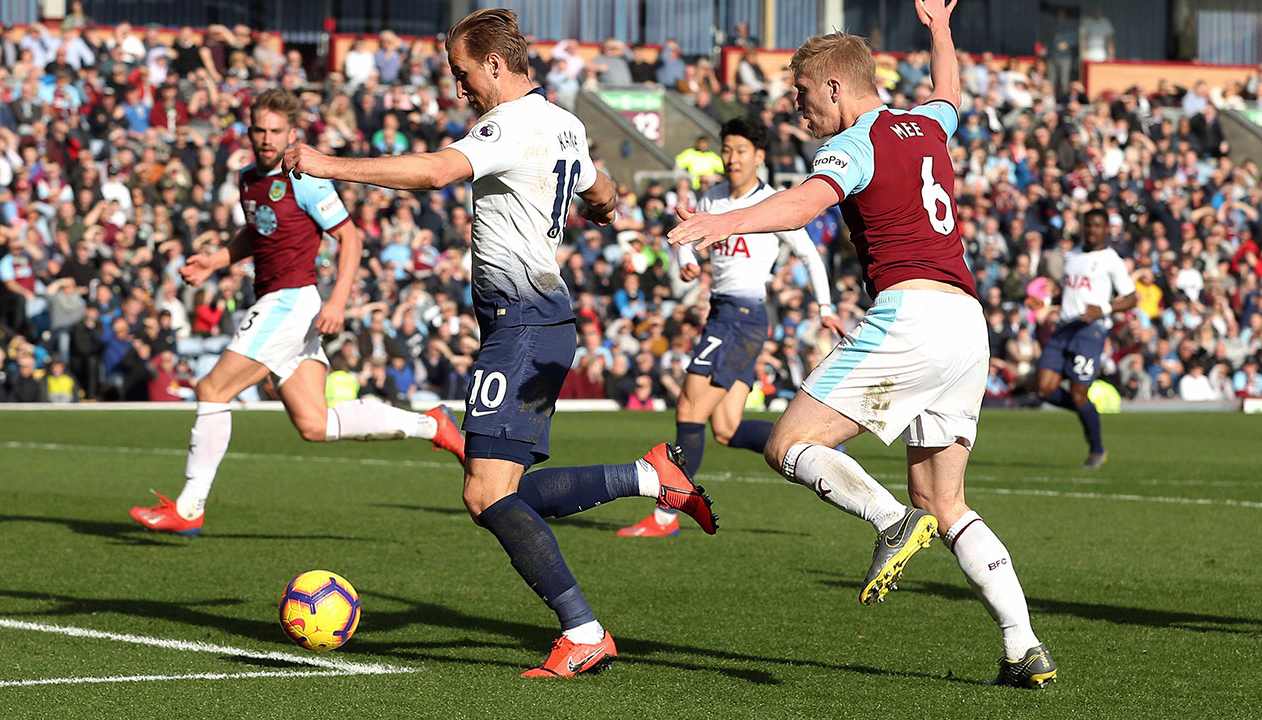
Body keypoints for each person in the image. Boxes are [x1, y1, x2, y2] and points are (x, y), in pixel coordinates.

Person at [282, 8, 717, 679]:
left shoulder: (508, 124)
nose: (460, 91)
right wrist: (603, 201)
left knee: (486, 495)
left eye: (463, 74)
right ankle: (648, 476)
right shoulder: (564, 120)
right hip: (542, 322)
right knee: (502, 491)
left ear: (493, 64)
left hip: (521, 325)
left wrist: (326, 163)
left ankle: (584, 630)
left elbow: (434, 172)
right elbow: (600, 187)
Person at [667, 0, 1056, 689]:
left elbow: (803, 205)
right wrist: (939, 30)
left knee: (790, 445)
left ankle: (886, 521)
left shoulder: (851, 142)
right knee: (947, 502)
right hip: (968, 323)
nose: (796, 105)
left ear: (838, 87)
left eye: (803, 92)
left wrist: (717, 219)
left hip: (911, 312)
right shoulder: (926, 124)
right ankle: (1022, 644)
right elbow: (950, 93)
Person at [129, 89, 465, 537]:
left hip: (290, 301)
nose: (267, 139)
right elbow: (258, 231)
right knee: (315, 423)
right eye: (259, 130)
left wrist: (339, 300)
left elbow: (351, 239)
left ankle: (189, 508)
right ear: (248, 131)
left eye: (275, 132)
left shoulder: (304, 179)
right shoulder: (248, 178)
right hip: (278, 301)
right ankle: (431, 424)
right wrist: (216, 260)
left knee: (212, 387)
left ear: (291, 133)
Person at [617, 117, 840, 537]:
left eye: (741, 150)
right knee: (726, 428)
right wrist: (685, 262)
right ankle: (816, 445)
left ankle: (667, 516)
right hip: (724, 313)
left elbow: (810, 256)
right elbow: (686, 245)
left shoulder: (774, 201)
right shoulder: (712, 199)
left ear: (758, 156)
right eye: (727, 149)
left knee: (688, 409)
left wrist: (825, 307)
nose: (732, 158)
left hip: (743, 316)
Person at [1034, 208, 1137, 468]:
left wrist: (1104, 309)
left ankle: (1097, 448)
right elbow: (1070, 292)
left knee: (1080, 392)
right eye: (1088, 225)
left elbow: (1132, 297)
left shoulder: (1111, 259)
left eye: (1097, 225)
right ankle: (1087, 410)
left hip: (1090, 330)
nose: (1092, 230)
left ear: (1106, 229)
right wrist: (1050, 303)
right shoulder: (1072, 256)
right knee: (1043, 387)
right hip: (1064, 327)